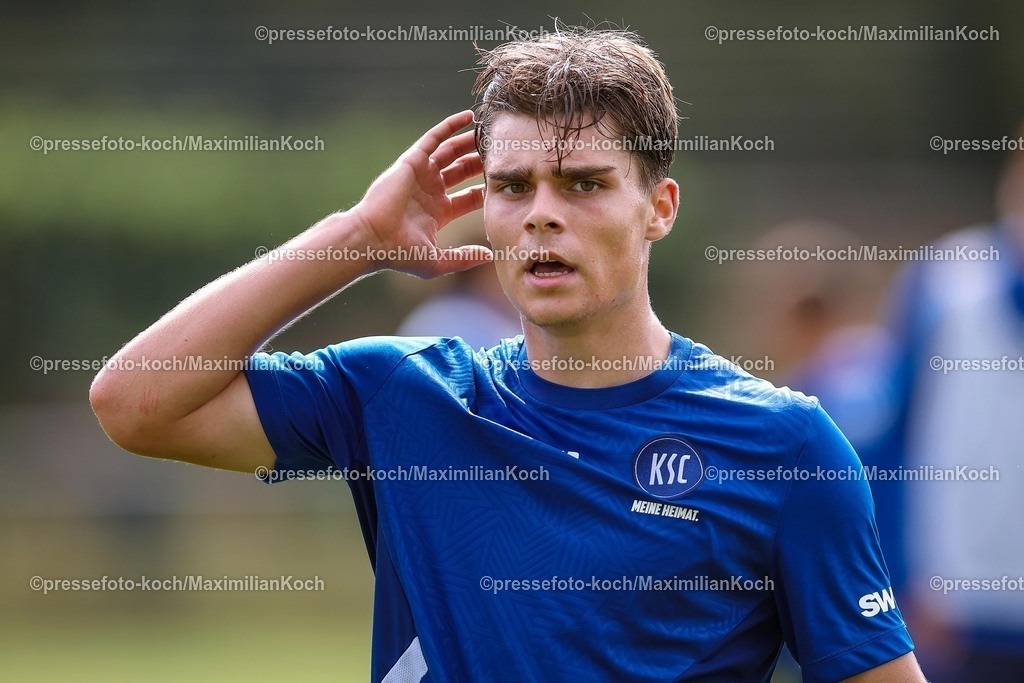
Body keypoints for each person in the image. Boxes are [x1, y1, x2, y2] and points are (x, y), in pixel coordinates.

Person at [89, 28, 925, 682]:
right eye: (513, 186)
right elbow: (134, 401)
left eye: (585, 184)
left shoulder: (786, 444)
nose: (541, 215)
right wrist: (357, 236)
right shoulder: (399, 393)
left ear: (659, 207)